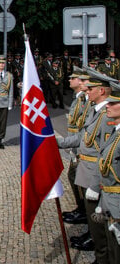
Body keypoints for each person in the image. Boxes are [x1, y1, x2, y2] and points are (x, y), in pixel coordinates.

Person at [57, 69, 117, 260]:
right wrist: (54, 142)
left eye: (91, 88)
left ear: (101, 91)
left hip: (96, 176)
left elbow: (106, 157)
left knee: (101, 232)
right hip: (88, 169)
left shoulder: (107, 118)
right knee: (96, 226)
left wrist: (97, 185)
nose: (87, 90)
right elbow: (83, 138)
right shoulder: (96, 112)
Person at [61, 67, 90, 235]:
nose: (70, 80)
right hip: (75, 145)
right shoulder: (78, 99)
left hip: (80, 147)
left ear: (80, 82)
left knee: (78, 180)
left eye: (73, 78)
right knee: (74, 177)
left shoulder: (85, 102)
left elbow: (84, 130)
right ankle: (81, 209)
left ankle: (84, 212)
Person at [97, 81, 120, 262]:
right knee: (112, 251)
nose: (108, 105)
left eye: (113, 103)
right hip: (109, 201)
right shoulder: (115, 132)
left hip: (117, 206)